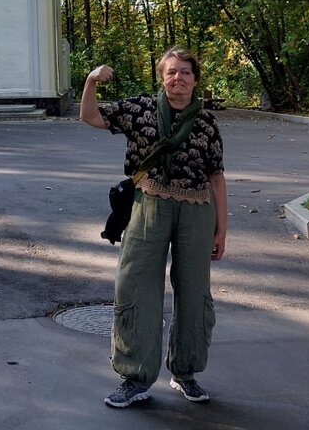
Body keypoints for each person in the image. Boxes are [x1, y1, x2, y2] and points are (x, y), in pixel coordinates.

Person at [80, 48, 227, 408]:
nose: (179, 79)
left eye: (186, 73)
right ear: (162, 77)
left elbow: (216, 176)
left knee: (194, 291)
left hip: (196, 210)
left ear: (195, 79)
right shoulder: (141, 110)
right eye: (172, 72)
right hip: (149, 205)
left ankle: (186, 372)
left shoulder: (206, 122)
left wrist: (221, 229)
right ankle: (134, 377)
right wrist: (91, 81)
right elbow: (90, 117)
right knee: (137, 286)